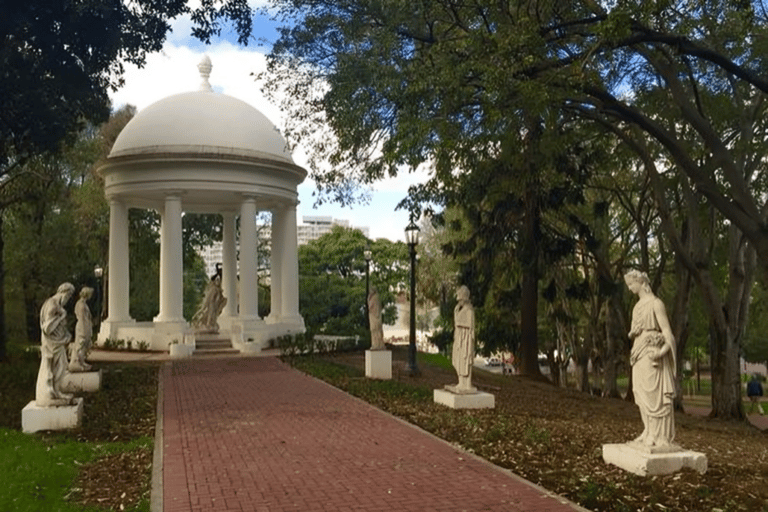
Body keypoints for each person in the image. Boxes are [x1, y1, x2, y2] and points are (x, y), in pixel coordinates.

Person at [625, 270, 677, 449]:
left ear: (640, 282)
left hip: (651, 352)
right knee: (639, 392)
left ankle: (659, 435)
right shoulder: (637, 307)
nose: (630, 288)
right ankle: (648, 430)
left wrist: (662, 352)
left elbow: (667, 333)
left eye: (631, 284)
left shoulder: (656, 304)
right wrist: (633, 332)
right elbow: (634, 331)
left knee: (654, 394)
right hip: (638, 352)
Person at [36, 282, 76, 406]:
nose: (68, 300)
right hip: (53, 345)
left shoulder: (54, 304)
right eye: (69, 296)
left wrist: (66, 335)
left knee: (60, 367)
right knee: (58, 367)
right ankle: (51, 394)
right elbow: (47, 328)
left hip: (56, 343)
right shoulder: (52, 305)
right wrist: (61, 316)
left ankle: (56, 392)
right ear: (64, 293)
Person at [447, 285, 476, 394]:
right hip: (459, 338)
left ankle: (467, 384)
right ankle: (461, 382)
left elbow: (470, 324)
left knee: (465, 359)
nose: (458, 301)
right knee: (458, 359)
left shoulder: (469, 310)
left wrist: (458, 322)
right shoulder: (462, 309)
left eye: (460, 299)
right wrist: (455, 313)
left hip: (465, 339)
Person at [69, 287, 94, 372]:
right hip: (82, 326)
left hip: (85, 325)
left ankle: (82, 361)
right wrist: (84, 331)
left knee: (84, 345)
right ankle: (78, 362)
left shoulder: (83, 304)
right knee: (80, 344)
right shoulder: (80, 304)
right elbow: (82, 318)